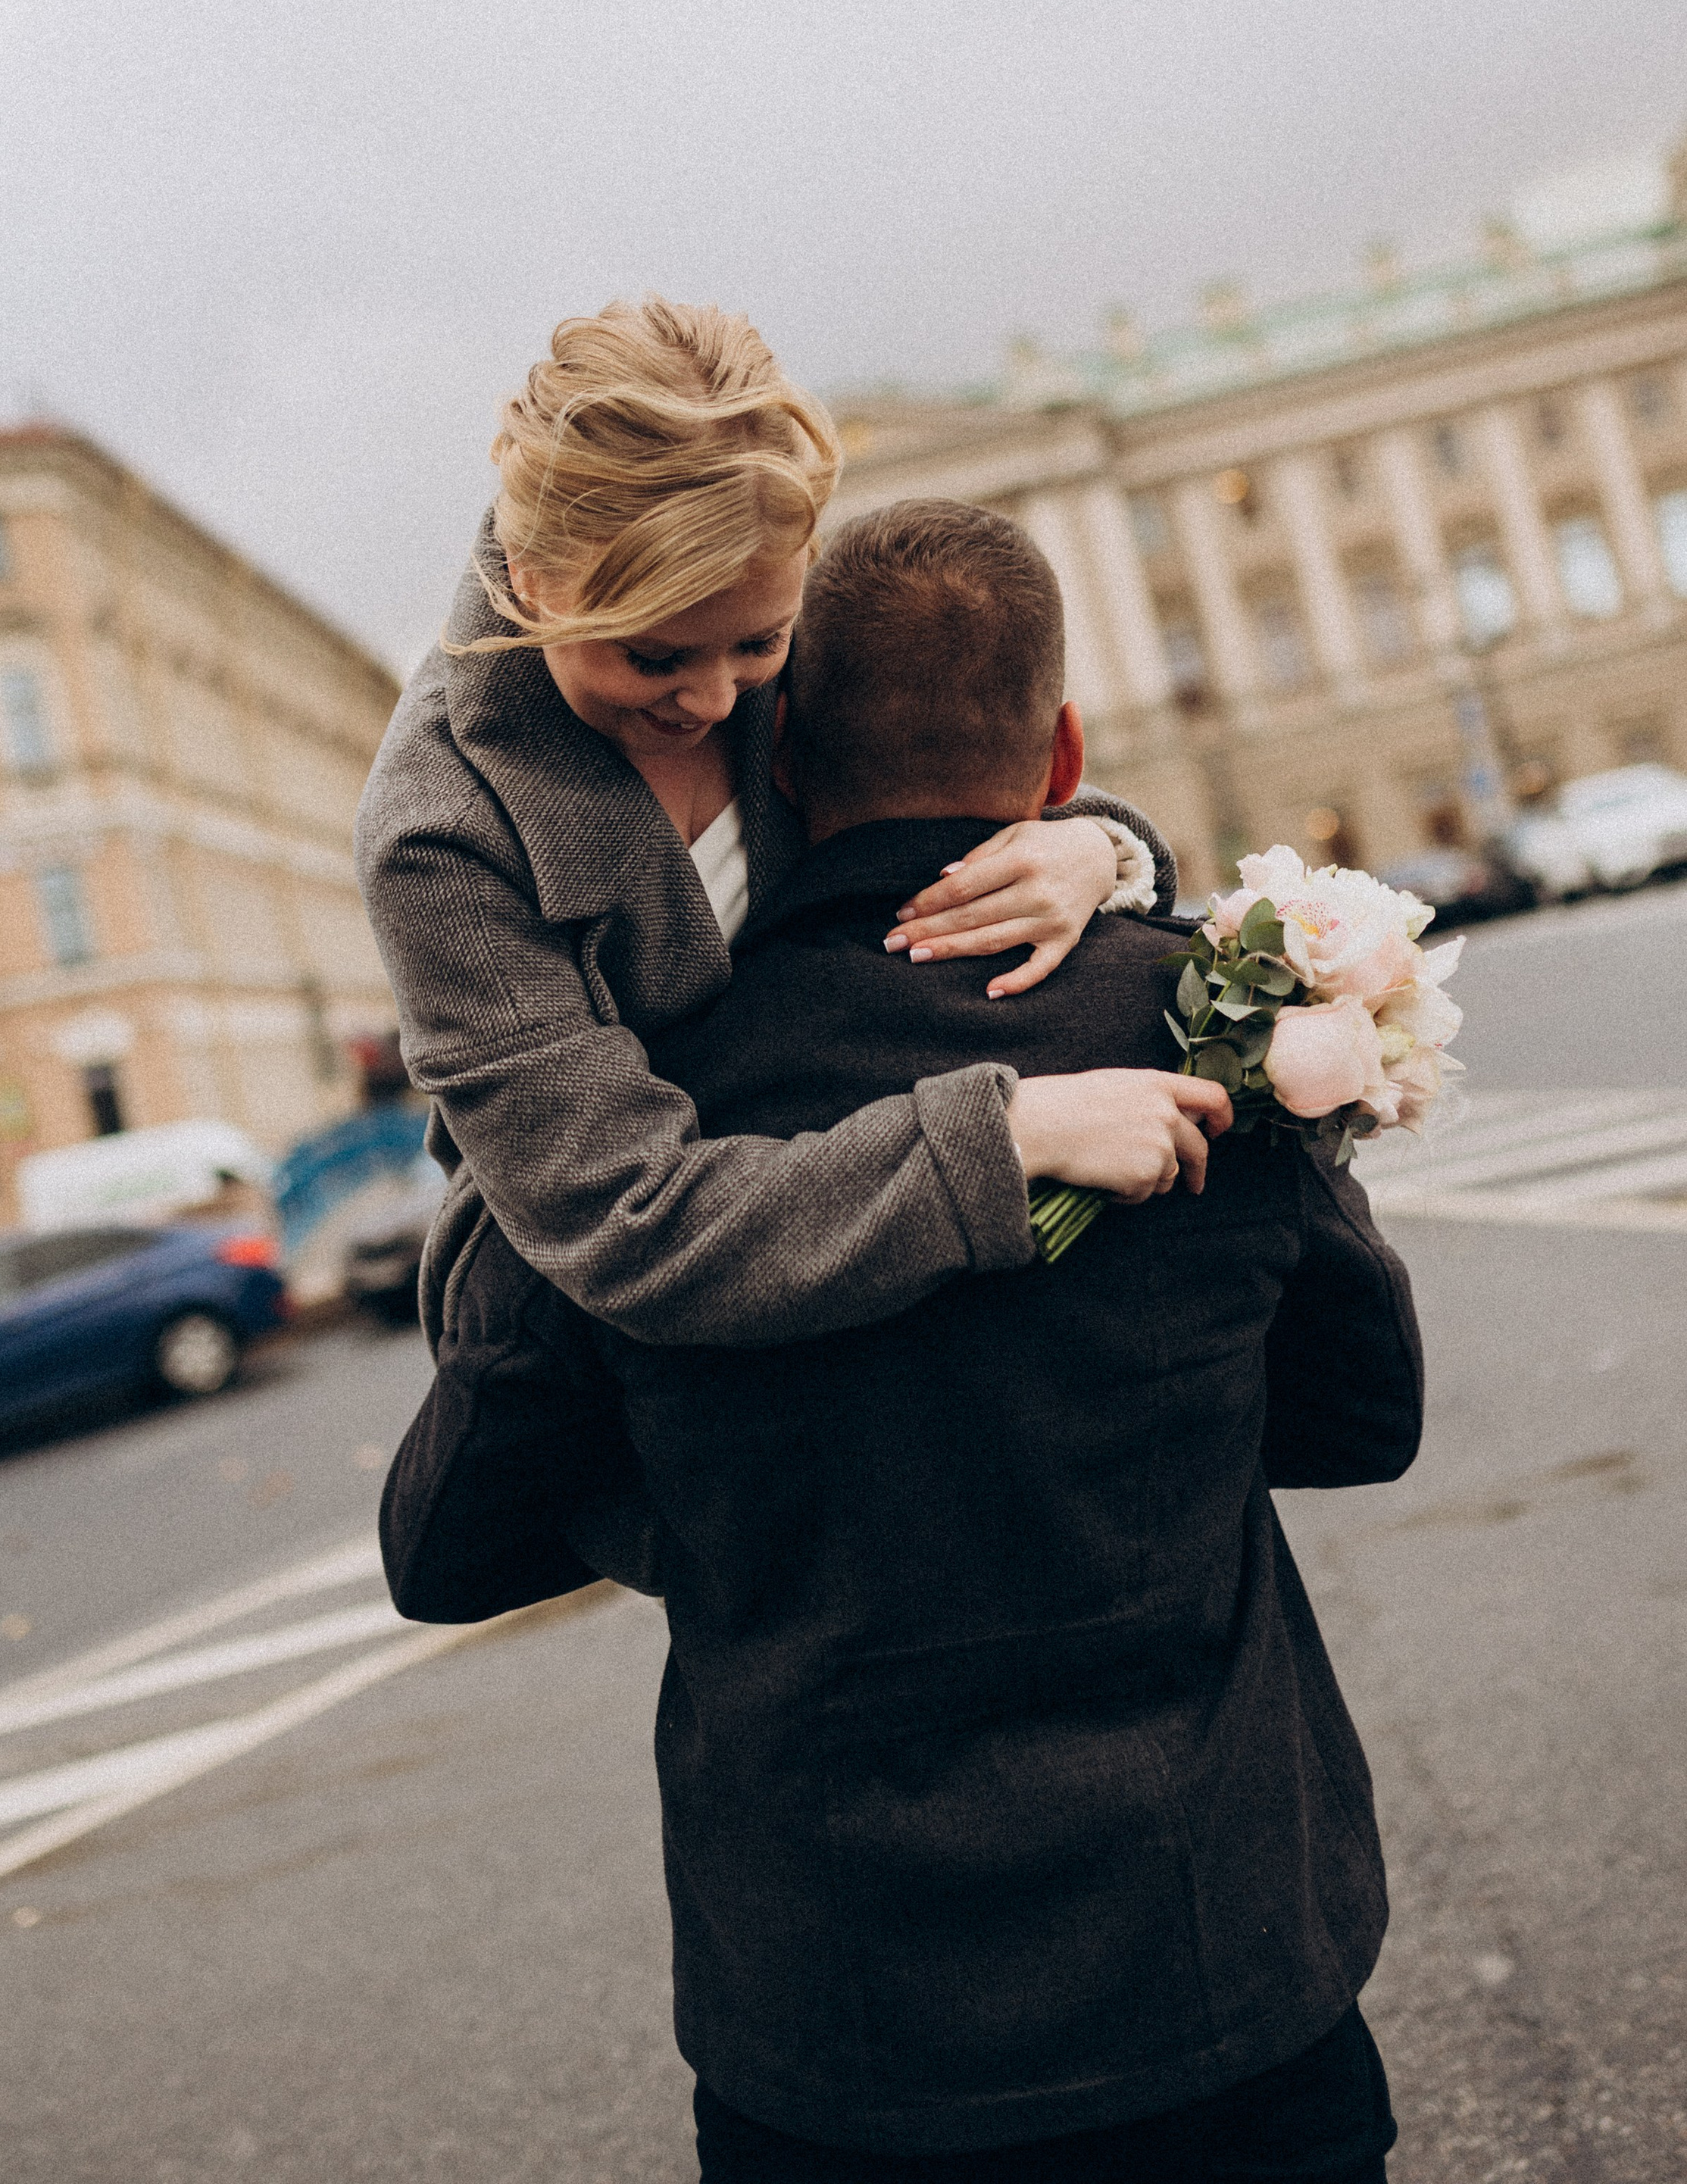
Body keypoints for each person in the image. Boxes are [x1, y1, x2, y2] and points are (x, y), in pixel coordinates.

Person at [383, 499, 1423, 2183]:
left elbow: (446, 1542)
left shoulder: (630, 1117)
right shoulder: (1197, 1027)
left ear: (769, 755)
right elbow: (1360, 1411)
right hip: (1224, 1962)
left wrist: (726, 1522)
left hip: (843, 2040)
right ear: (1063, 751)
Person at [355, 297, 1194, 1357]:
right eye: (653, 657)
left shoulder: (763, 599)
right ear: (531, 579)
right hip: (611, 1372)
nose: (713, 700)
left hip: (881, 1266)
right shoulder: (441, 833)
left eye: (760, 645)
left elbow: (952, 770)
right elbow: (629, 1227)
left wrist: (1099, 847)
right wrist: (1005, 1136)